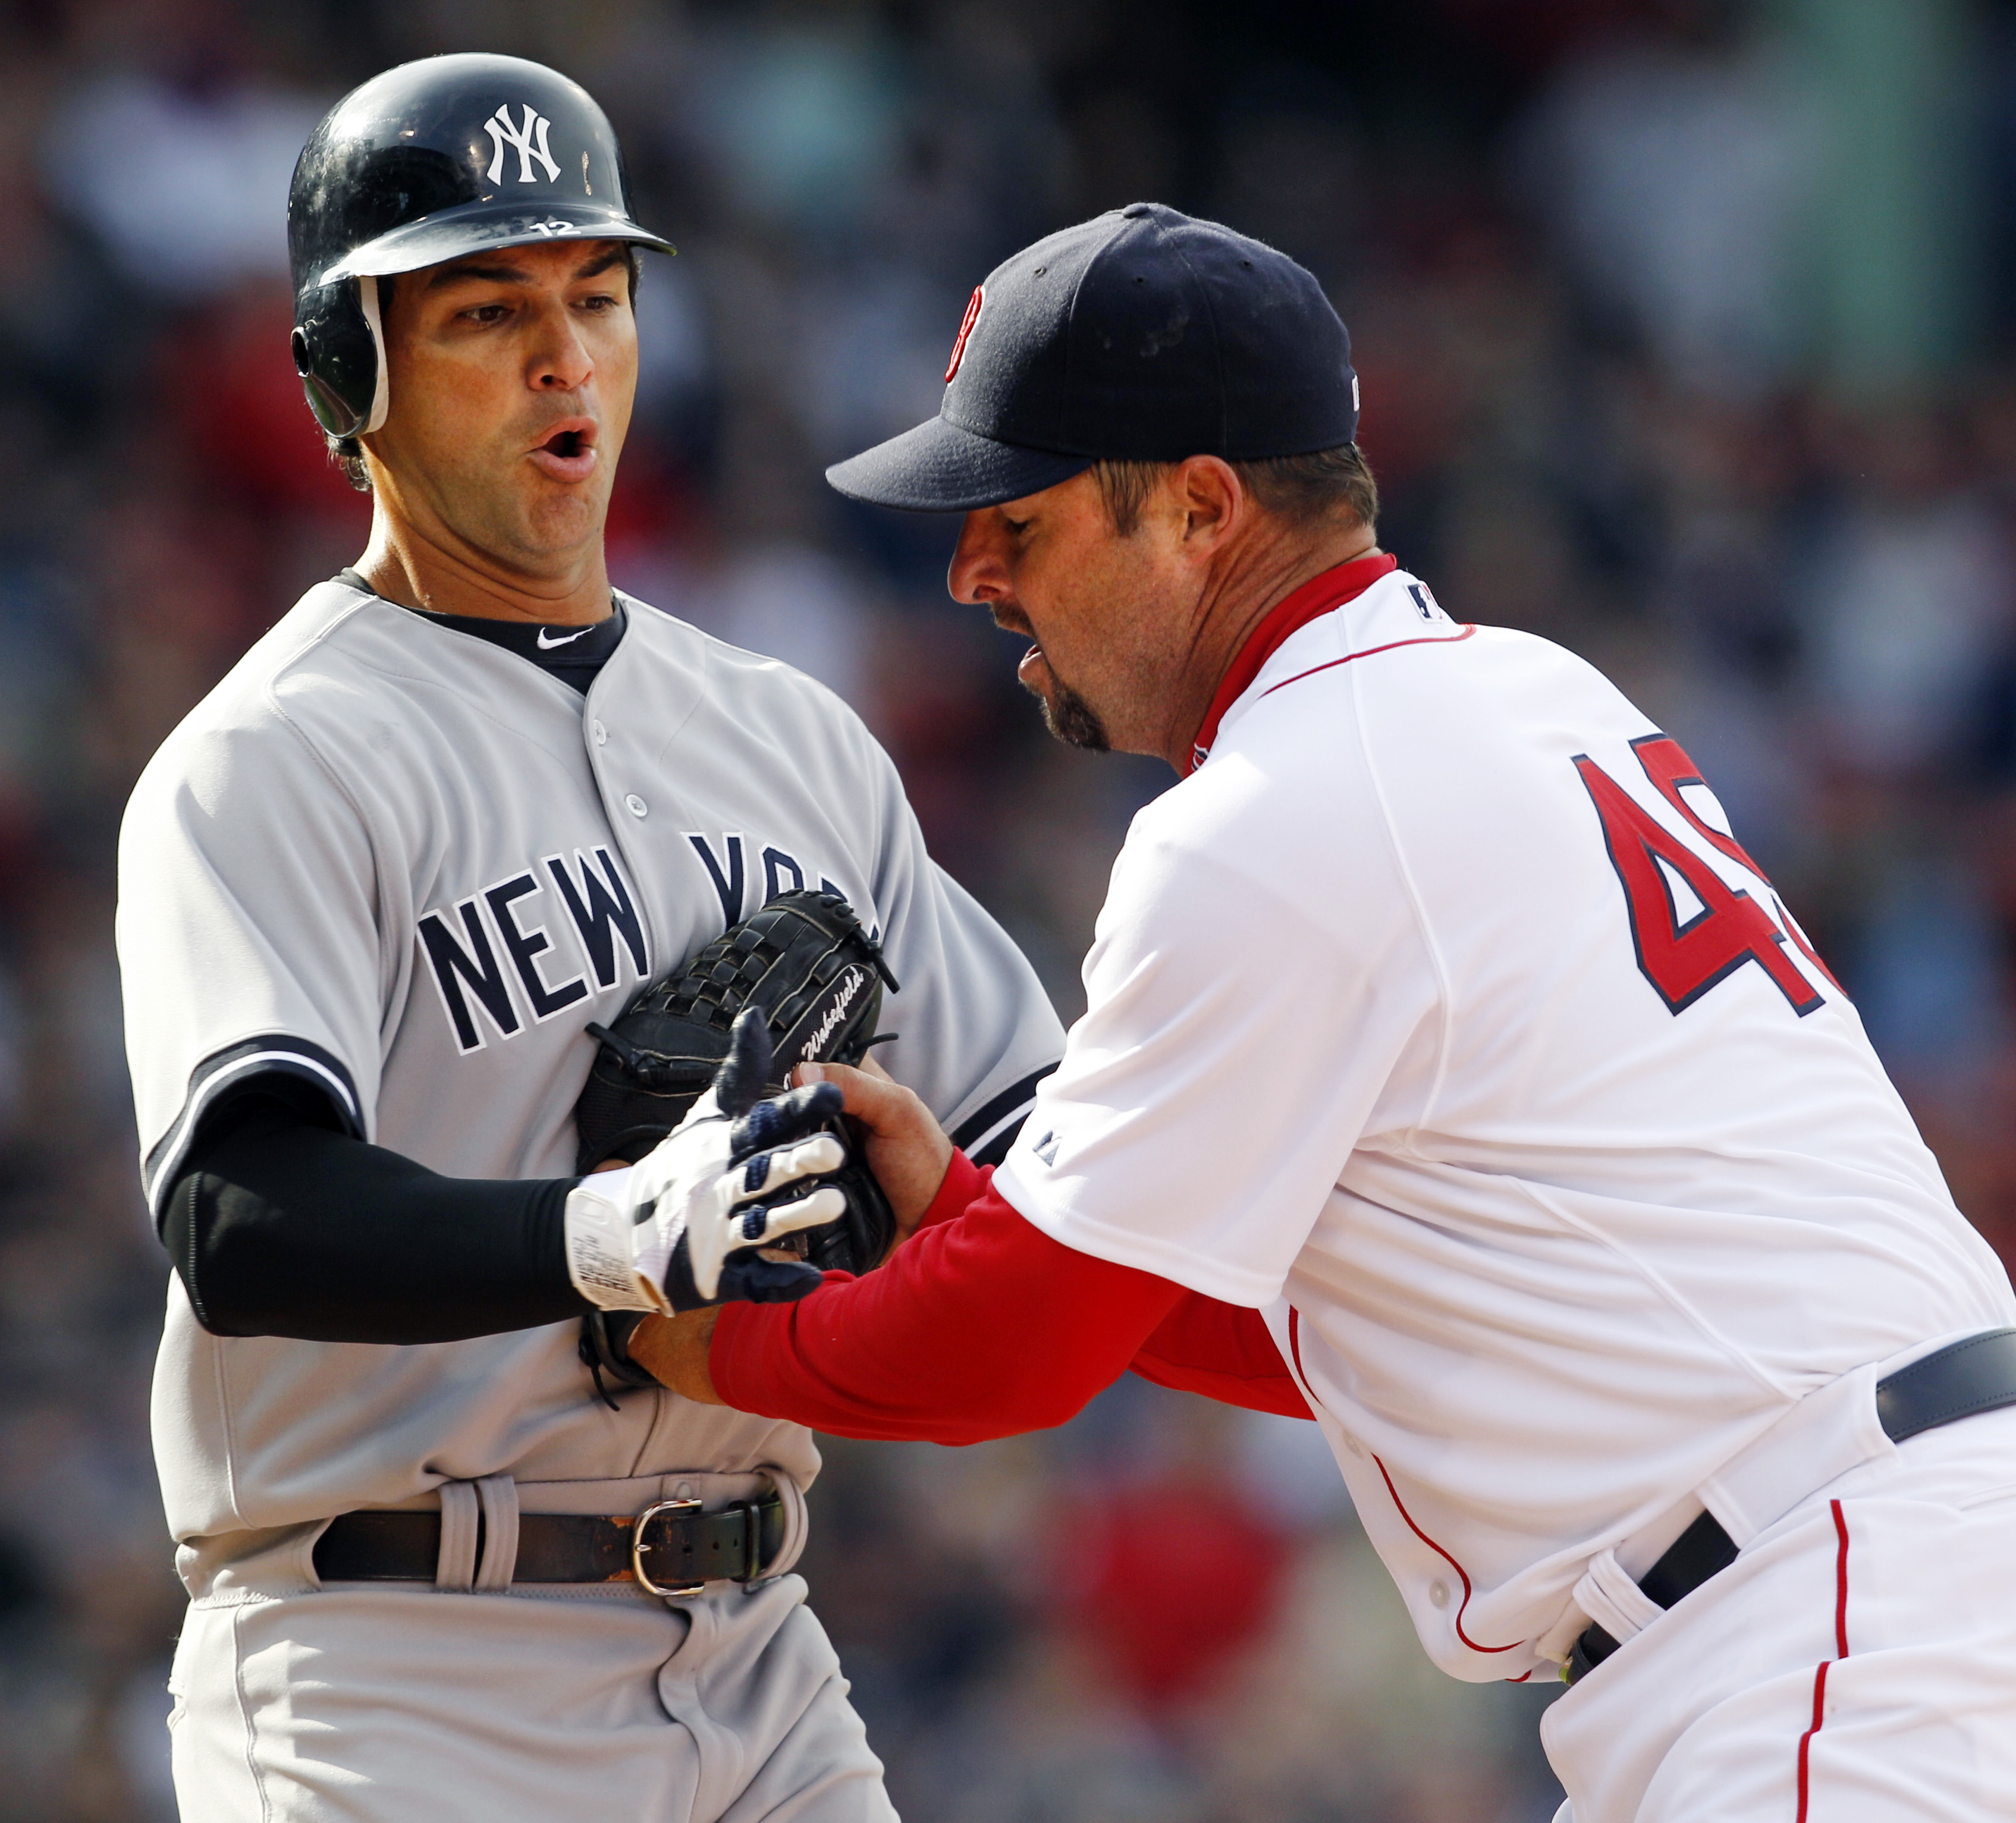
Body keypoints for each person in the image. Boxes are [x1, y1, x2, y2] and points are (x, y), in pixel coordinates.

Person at [637, 204, 2016, 1822]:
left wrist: (669, 1327)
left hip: (1834, 1628)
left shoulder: (1278, 812)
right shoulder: (1522, 688)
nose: (972, 567)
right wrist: (973, 1211)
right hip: (1864, 1580)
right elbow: (1386, 1330)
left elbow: (1008, 1357)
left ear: (1203, 508)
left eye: (1022, 510)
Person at [115, 54, 1064, 1823]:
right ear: (350, 373)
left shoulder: (792, 733)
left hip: (759, 1648)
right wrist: (612, 1230)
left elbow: (1049, 1152)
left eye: (598, 294)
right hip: (397, 1661)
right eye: (489, 309)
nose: (568, 358)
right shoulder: (268, 760)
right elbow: (241, 1212)